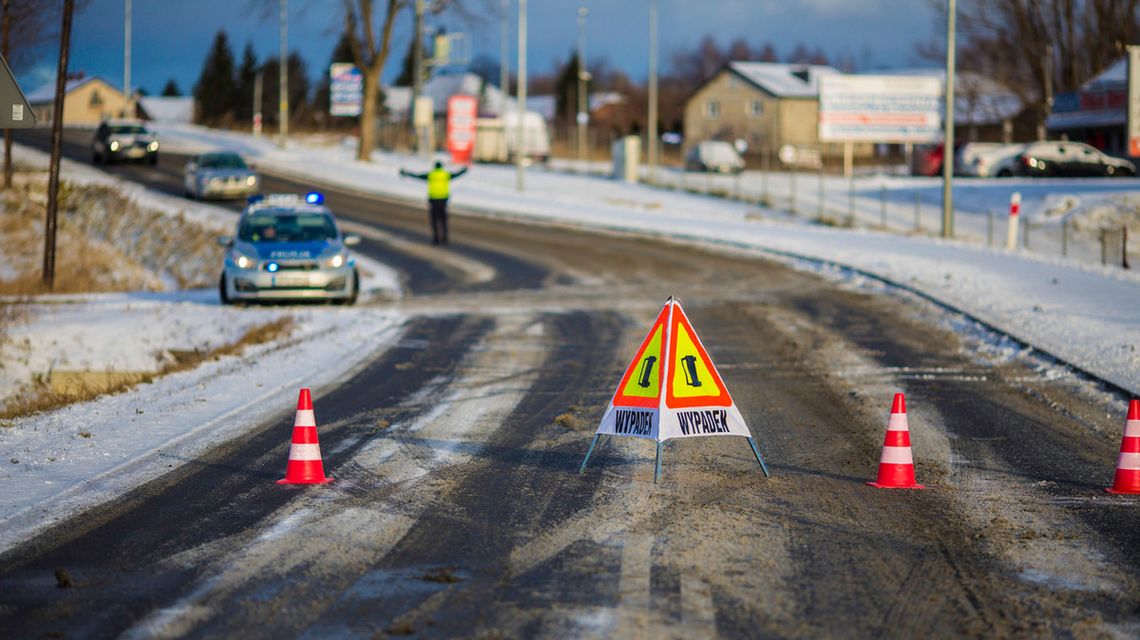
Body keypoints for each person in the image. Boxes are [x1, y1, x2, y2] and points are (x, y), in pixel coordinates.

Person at [399, 161, 468, 245]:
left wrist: (407, 173)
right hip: (443, 201)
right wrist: (464, 170)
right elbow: (456, 174)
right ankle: (445, 238)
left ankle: (436, 238)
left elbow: (418, 176)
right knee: (443, 220)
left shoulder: (431, 175)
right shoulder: (445, 175)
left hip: (434, 201)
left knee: (434, 220)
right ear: (441, 167)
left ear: (435, 167)